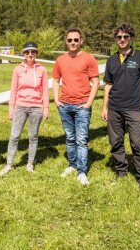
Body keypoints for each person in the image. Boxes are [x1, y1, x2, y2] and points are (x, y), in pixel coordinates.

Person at [101, 23, 140, 189]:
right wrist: (104, 107)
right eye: (119, 37)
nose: (122, 40)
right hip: (115, 107)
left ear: (131, 38)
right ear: (115, 39)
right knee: (115, 142)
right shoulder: (111, 60)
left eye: (125, 37)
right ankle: (121, 171)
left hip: (134, 108)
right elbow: (108, 85)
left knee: (136, 142)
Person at [52, 29, 100, 185]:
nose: (72, 43)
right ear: (66, 41)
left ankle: (82, 171)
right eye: (70, 40)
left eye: (75, 40)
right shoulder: (60, 60)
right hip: (64, 105)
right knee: (70, 138)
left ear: (81, 41)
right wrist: (57, 100)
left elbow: (96, 82)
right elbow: (55, 80)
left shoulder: (89, 58)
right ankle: (72, 165)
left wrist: (88, 103)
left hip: (82, 106)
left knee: (81, 139)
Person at [0, 42, 49, 176]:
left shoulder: (42, 70)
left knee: (33, 137)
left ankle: (30, 163)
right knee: (14, 136)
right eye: (27, 52)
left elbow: (45, 90)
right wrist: (11, 108)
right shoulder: (17, 70)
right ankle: (9, 164)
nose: (30, 54)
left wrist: (46, 108)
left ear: (36, 53)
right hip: (20, 106)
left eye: (33, 52)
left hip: (36, 107)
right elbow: (13, 90)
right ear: (23, 54)